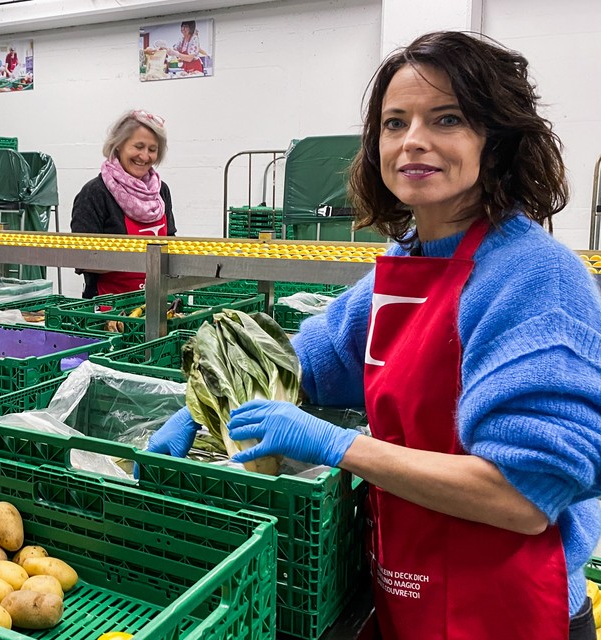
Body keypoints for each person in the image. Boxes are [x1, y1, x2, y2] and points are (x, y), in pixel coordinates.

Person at [149, 31, 601, 639]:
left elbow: (521, 498)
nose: (414, 140)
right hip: (408, 579)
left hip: (508, 607)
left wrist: (339, 447)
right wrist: (209, 407)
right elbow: (320, 352)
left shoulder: (536, 278)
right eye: (394, 122)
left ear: (495, 139)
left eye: (447, 118)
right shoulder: (411, 258)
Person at [70, 109, 176, 298]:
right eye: (138, 146)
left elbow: (170, 240)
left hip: (158, 304)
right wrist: (143, 257)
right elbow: (84, 258)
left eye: (152, 149)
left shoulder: (160, 191)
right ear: (118, 145)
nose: (144, 156)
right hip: (109, 310)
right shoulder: (94, 193)